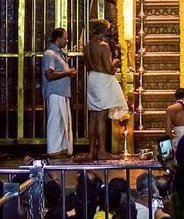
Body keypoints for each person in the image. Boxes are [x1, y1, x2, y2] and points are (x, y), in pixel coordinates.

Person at [84, 20, 128, 160]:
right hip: (102, 79)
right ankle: (102, 151)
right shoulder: (103, 46)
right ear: (103, 31)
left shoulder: (87, 46)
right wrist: (115, 63)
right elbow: (109, 68)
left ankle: (91, 151)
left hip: (92, 78)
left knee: (93, 116)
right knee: (102, 117)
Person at [43, 27, 77, 159]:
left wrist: (68, 73)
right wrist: (67, 72)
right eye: (65, 38)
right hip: (55, 92)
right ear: (58, 38)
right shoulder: (50, 54)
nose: (67, 41)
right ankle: (53, 150)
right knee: (55, 122)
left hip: (62, 92)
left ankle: (62, 149)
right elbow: (49, 74)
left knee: (63, 122)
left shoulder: (59, 54)